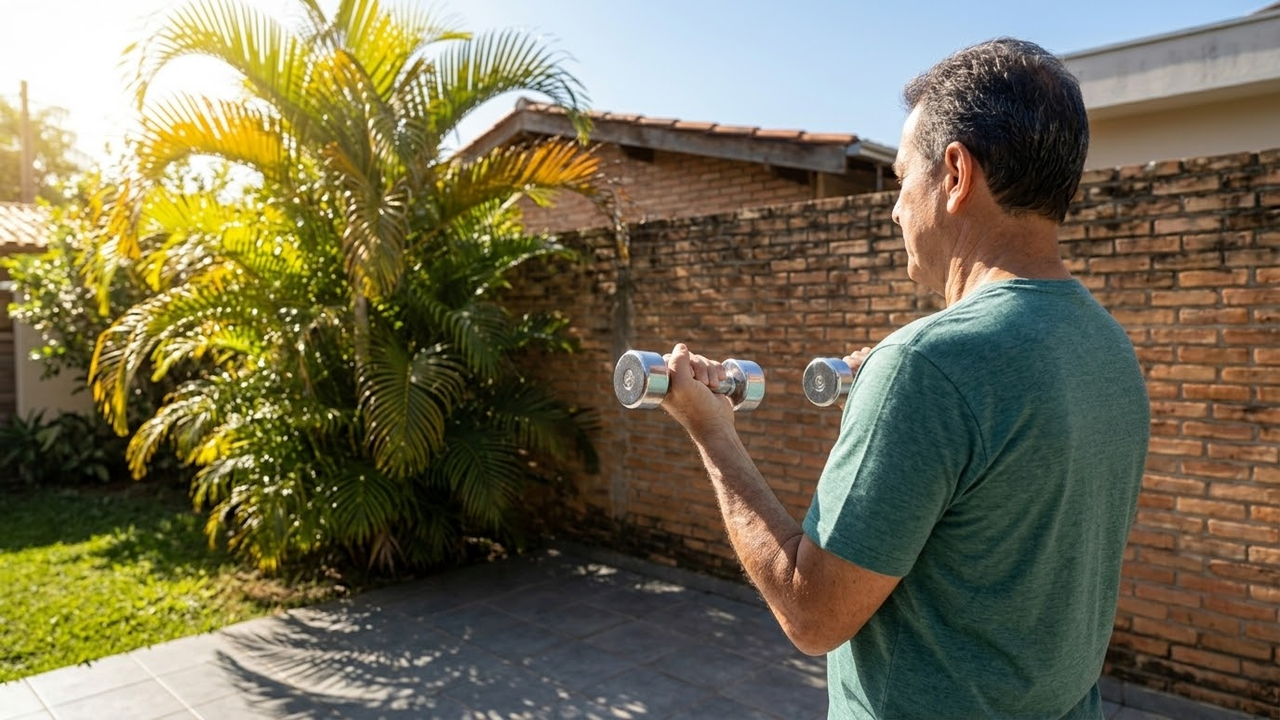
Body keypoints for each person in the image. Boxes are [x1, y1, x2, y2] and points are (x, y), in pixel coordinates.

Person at [657, 38, 1150, 719]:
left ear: (955, 174)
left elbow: (813, 614)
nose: (894, 210)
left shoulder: (927, 365)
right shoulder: (1106, 347)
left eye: (898, 181)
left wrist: (711, 430)